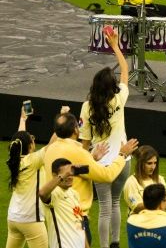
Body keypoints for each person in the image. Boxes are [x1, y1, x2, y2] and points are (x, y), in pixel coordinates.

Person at [43, 112, 139, 245]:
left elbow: (72, 169)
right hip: (74, 217)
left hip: (55, 215)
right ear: (76, 129)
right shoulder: (78, 152)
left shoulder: (50, 149)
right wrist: (122, 154)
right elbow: (107, 175)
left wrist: (91, 158)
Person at [79, 28, 132, 248]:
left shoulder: (87, 108)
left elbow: (83, 143)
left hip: (100, 163)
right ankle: (115, 243)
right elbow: (126, 70)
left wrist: (83, 164)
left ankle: (103, 246)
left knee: (104, 207)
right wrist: (115, 46)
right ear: (112, 87)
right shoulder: (119, 99)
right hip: (123, 160)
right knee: (116, 203)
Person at [5, 106, 50, 248]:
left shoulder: (14, 160)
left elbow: (20, 138)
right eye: (32, 138)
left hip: (13, 219)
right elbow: (54, 143)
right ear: (30, 145)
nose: (33, 139)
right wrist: (63, 118)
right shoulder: (34, 160)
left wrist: (23, 119)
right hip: (31, 220)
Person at [39, 158, 87, 248]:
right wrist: (62, 175)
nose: (69, 177)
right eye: (66, 174)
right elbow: (42, 193)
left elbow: (80, 224)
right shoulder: (54, 193)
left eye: (70, 173)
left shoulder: (74, 193)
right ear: (55, 175)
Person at [124, 145, 166, 215]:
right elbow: (137, 208)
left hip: (158, 221)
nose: (153, 167)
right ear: (140, 164)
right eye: (149, 163)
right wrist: (158, 200)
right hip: (140, 223)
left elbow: (162, 207)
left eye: (155, 163)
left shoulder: (160, 179)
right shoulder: (131, 182)